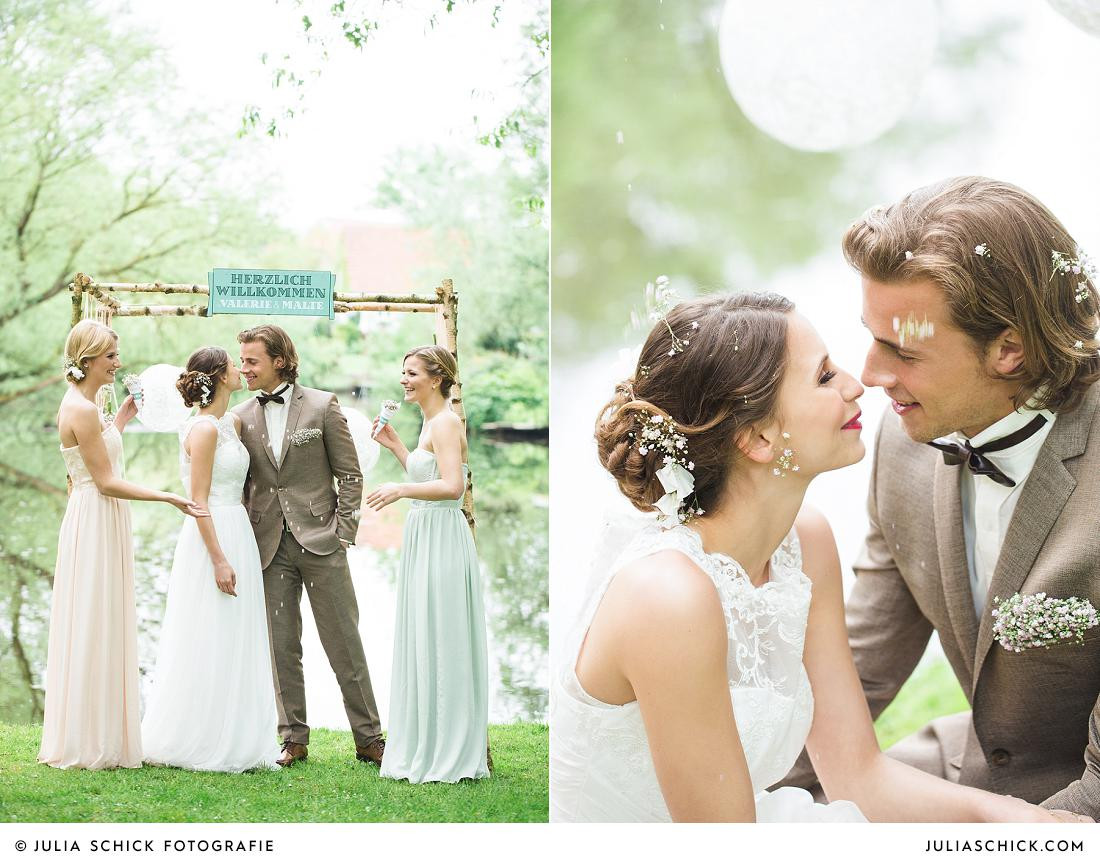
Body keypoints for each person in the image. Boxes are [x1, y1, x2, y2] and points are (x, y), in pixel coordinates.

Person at [549, 291, 1065, 822]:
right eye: (823, 377)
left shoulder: (805, 542)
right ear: (758, 438)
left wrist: (1018, 821)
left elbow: (858, 776)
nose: (856, 384)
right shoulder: (666, 597)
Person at [785, 176, 1097, 821]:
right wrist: (743, 800)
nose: (869, 375)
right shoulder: (904, 444)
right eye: (871, 337)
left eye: (903, 349)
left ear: (1010, 347)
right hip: (964, 768)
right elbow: (864, 661)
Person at [39, 320, 203, 770]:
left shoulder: (87, 406)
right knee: (94, 614)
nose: (118, 362)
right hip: (96, 514)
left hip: (94, 513)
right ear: (88, 359)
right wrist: (167, 496)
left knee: (99, 612)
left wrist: (122, 421)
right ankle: (90, 736)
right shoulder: (83, 409)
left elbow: (94, 462)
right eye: (111, 355)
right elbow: (107, 482)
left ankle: (95, 727)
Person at [233, 324, 383, 768]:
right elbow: (243, 485)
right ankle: (293, 738)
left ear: (279, 360)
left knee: (344, 642)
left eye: (251, 361)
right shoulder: (240, 415)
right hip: (267, 545)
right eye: (241, 361)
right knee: (281, 646)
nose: (244, 368)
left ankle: (369, 738)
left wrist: (344, 532)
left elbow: (350, 474)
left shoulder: (322, 406)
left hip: (322, 541)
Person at [140, 347, 281, 772]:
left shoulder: (229, 423)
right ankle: (198, 736)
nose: (241, 370)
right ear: (219, 376)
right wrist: (219, 559)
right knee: (207, 631)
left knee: (236, 633)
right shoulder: (202, 430)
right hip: (211, 535)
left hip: (236, 527)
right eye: (235, 365)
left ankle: (238, 733)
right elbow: (196, 501)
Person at [368, 345, 489, 783]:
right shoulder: (428, 422)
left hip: (441, 535)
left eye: (412, 373)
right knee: (426, 631)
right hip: (424, 533)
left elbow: (453, 486)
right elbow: (429, 474)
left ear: (436, 378)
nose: (404, 380)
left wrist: (400, 490)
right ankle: (426, 737)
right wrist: (397, 446)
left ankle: (449, 747)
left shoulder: (446, 421)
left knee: (444, 632)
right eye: (403, 373)